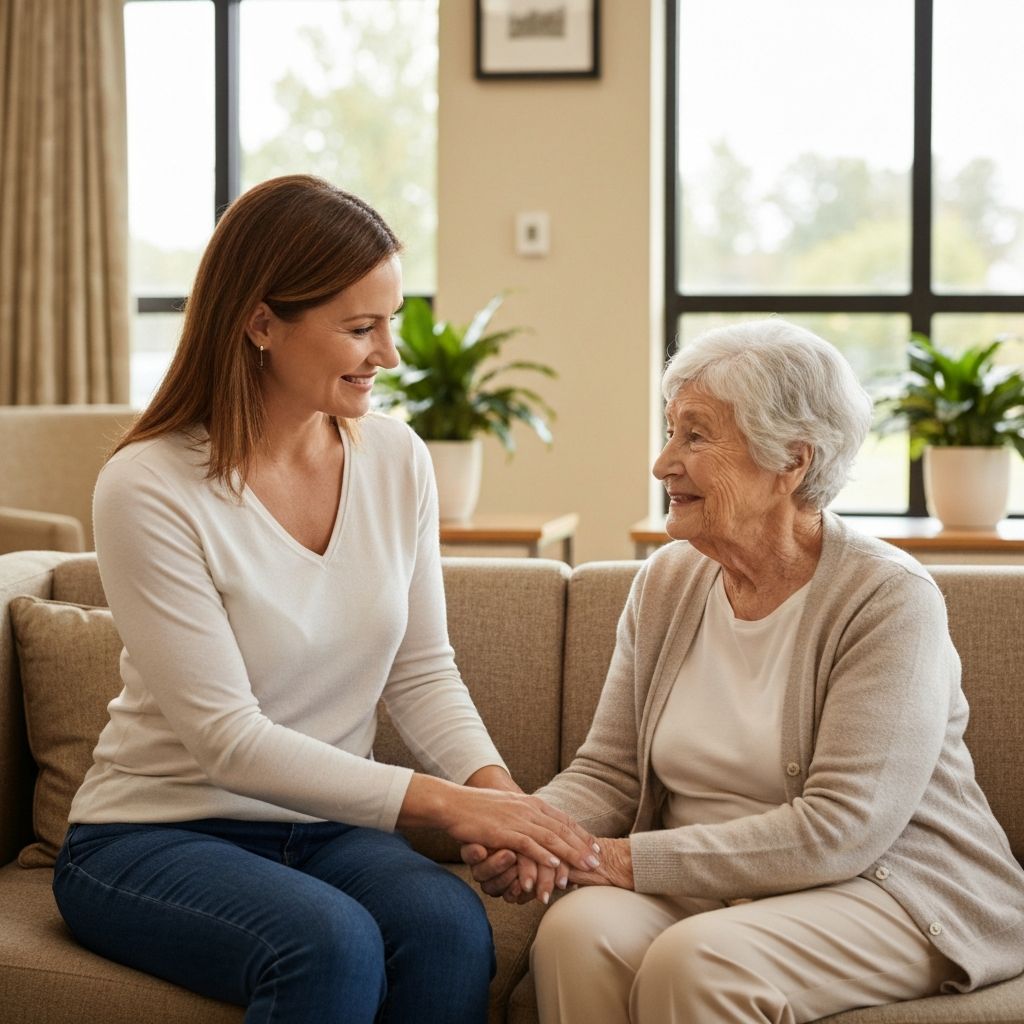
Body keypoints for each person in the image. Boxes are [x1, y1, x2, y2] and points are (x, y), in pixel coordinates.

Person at [52, 175, 600, 1024]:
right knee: (328, 944)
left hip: (325, 832)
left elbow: (421, 672)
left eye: (392, 320)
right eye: (360, 328)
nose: (390, 354)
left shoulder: (396, 459)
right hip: (153, 834)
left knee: (449, 926)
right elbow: (229, 743)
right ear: (261, 323)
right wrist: (451, 807)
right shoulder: (148, 485)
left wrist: (507, 809)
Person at [464, 318, 1024, 1023]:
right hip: (714, 890)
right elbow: (609, 772)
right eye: (670, 431)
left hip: (885, 887)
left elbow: (841, 830)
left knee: (698, 960)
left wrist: (616, 859)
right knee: (581, 932)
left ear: (791, 459)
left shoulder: (888, 600)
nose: (664, 462)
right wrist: (533, 831)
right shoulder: (667, 581)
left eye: (695, 436)